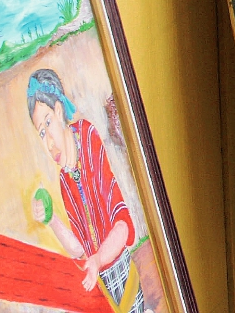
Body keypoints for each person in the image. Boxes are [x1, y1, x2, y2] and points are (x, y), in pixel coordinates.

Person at [28, 69, 148, 313]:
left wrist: (97, 260)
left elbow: (122, 224)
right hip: (101, 287)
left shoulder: (88, 138)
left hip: (124, 278)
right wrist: (51, 220)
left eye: (48, 123)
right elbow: (80, 248)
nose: (48, 143)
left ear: (60, 110)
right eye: (41, 132)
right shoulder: (65, 179)